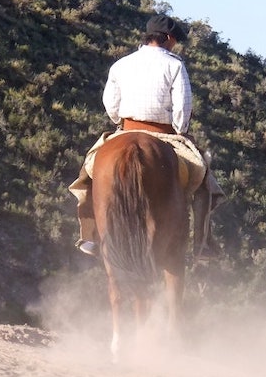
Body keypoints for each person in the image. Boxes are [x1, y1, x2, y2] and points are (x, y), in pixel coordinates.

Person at [68, 14, 224, 257]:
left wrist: (121, 123)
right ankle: (203, 243)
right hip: (164, 135)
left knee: (88, 174)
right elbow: (183, 108)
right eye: (175, 41)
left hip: (126, 129)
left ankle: (90, 235)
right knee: (203, 176)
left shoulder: (121, 64)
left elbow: (111, 104)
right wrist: (181, 131)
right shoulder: (175, 65)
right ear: (169, 38)